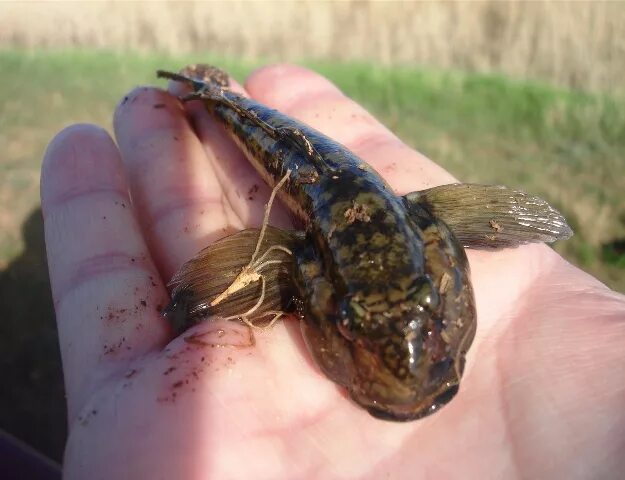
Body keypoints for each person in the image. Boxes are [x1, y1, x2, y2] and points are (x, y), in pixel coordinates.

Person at [41, 64, 625, 479]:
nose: (413, 361)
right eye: (350, 325)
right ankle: (210, 96)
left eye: (424, 304)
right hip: (291, 166)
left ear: (435, 262)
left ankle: (212, 93)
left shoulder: (422, 233)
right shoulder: (314, 258)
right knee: (236, 113)